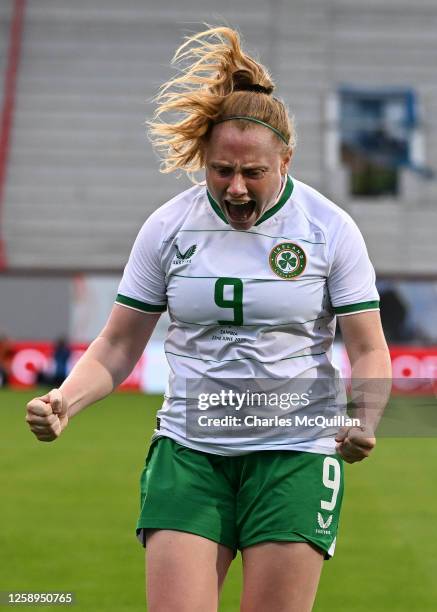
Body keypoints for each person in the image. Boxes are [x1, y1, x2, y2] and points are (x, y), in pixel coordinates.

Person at [26, 27, 392, 612]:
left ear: (286, 161)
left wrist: (364, 416)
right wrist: (65, 400)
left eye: (254, 173)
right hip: (189, 452)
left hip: (295, 453)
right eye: (221, 171)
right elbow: (118, 344)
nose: (237, 189)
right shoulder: (168, 227)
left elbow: (369, 349)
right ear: (203, 160)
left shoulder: (330, 229)